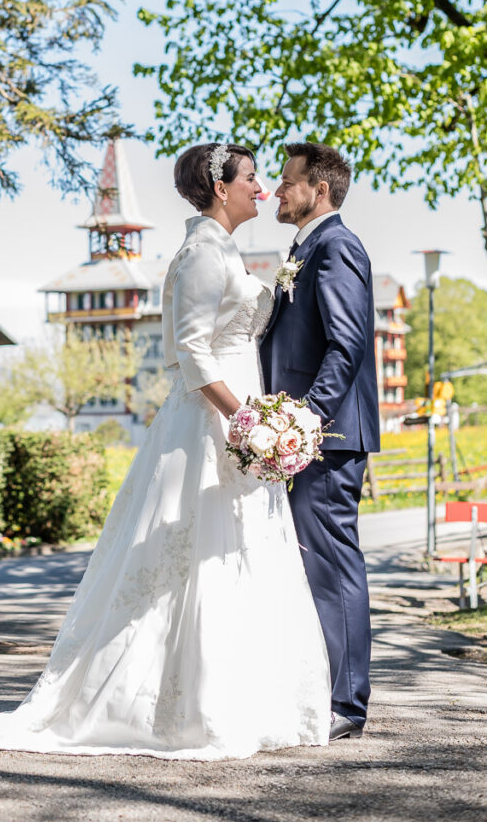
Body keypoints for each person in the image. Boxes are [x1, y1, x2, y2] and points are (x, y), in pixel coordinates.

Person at [0, 143, 331, 758]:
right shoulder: (199, 255)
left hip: (241, 425)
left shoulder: (224, 250)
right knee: (193, 555)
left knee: (234, 553)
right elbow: (191, 353)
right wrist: (248, 421)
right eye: (251, 178)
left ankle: (241, 695)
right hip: (214, 425)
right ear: (220, 188)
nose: (261, 188)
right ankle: (176, 706)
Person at [260, 142, 380, 742]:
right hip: (304, 436)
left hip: (326, 438)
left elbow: (346, 343)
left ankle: (346, 706)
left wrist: (306, 418)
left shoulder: (337, 248)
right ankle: (321, 692)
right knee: (311, 566)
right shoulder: (304, 249)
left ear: (320, 190)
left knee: (333, 566)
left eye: (288, 182)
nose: (278, 192)